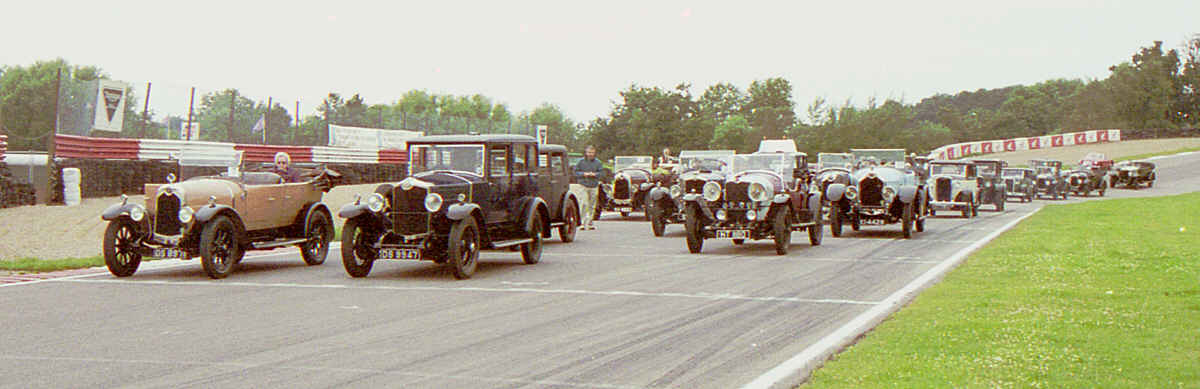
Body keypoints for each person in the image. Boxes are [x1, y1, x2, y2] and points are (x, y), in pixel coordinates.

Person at [574, 145, 604, 230]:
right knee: (584, 203)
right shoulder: (580, 162)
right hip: (583, 184)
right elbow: (575, 172)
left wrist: (594, 174)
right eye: (589, 152)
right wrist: (584, 174)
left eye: (592, 152)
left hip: (594, 185)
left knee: (592, 204)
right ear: (586, 153)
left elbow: (601, 173)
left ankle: (590, 222)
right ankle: (582, 222)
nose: (590, 154)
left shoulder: (598, 162)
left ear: (594, 153)